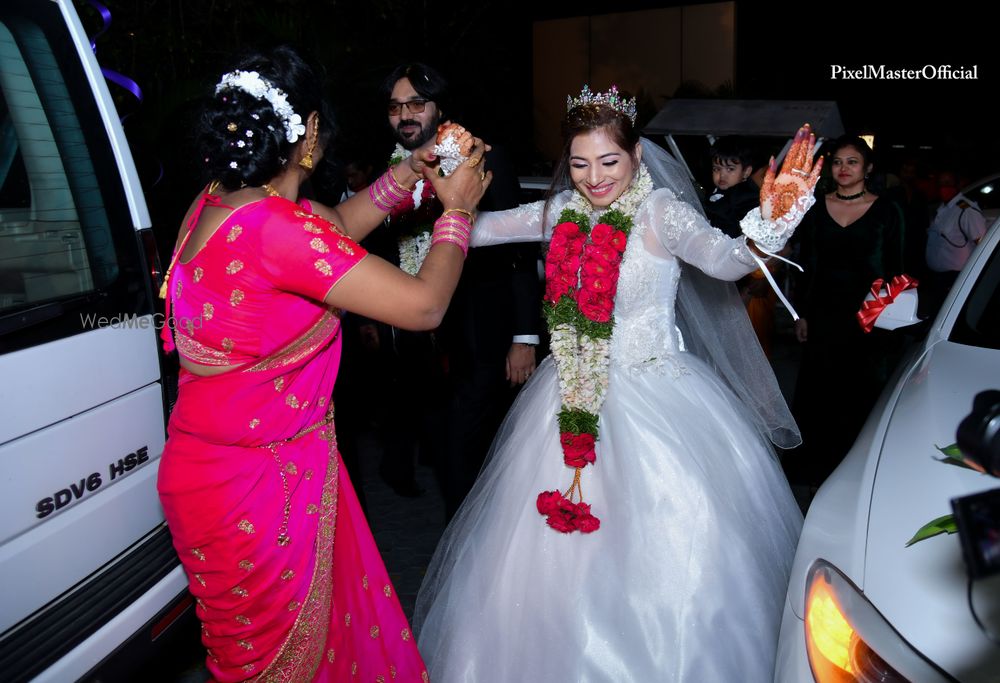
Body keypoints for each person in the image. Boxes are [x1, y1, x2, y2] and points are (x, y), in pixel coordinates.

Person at [413, 86, 820, 682]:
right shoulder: (560, 210)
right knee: (541, 559)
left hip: (656, 396)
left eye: (608, 161)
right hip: (566, 390)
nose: (594, 177)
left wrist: (770, 227)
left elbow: (724, 260)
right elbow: (477, 231)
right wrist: (440, 186)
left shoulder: (660, 212)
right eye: (579, 163)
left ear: (636, 155)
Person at [156, 46, 490, 682]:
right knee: (277, 667)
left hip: (203, 470)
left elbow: (331, 224)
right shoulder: (277, 231)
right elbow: (423, 307)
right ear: (308, 130)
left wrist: (409, 171)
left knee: (252, 657)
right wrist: (457, 211)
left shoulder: (215, 202)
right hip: (260, 489)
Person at [376, 63, 542, 517]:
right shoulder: (392, 172)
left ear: (438, 107)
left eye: (416, 104)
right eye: (395, 107)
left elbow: (519, 248)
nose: (405, 115)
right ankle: (458, 538)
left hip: (479, 335)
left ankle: (477, 542)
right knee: (442, 451)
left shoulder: (482, 158)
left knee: (467, 453)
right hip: (419, 343)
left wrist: (525, 336)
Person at [790, 135, 904, 487]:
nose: (843, 168)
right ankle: (815, 477)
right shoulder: (814, 208)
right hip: (823, 317)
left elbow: (899, 269)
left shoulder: (888, 210)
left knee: (859, 397)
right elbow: (806, 265)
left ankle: (858, 478)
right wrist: (801, 314)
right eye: (838, 161)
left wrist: (879, 315)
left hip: (869, 320)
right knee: (819, 397)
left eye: (852, 162)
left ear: (868, 168)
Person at [704, 136, 780, 356]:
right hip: (718, 273)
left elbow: (759, 244)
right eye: (717, 168)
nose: (722, 175)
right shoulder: (716, 195)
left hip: (742, 278)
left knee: (742, 344)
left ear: (746, 172)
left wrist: (748, 287)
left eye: (730, 169)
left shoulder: (748, 200)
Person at [924, 170, 987, 317]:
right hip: (937, 278)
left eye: (948, 183)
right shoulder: (942, 208)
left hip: (954, 279)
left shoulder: (966, 210)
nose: (943, 187)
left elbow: (981, 244)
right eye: (940, 183)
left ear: (958, 185)